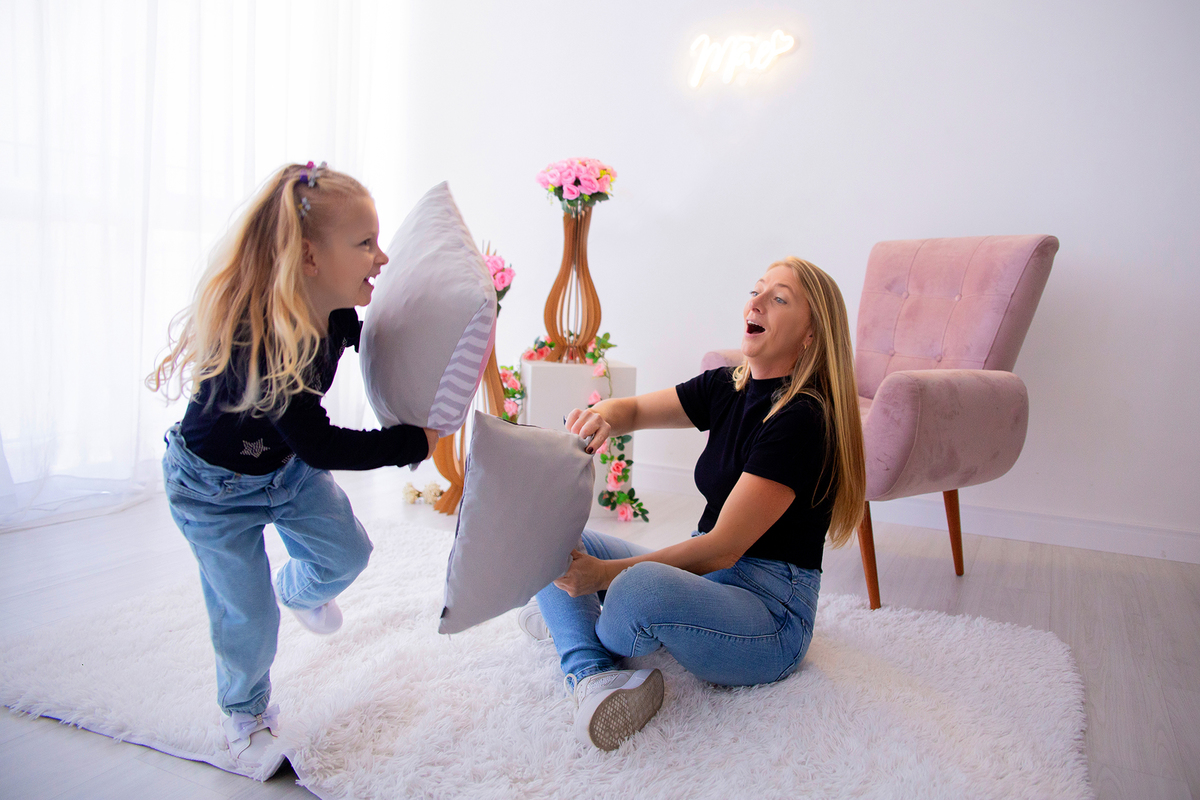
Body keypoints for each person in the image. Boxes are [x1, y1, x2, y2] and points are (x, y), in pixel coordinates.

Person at [147, 162, 438, 772]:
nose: (380, 258)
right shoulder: (265, 339)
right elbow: (323, 445)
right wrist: (411, 442)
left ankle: (295, 590)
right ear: (309, 258)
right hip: (212, 489)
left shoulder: (334, 311)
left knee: (348, 554)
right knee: (246, 615)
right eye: (365, 244)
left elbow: (383, 342)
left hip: (284, 472)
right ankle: (245, 715)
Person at [519, 257, 867, 751]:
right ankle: (591, 675)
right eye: (757, 290)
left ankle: (569, 623)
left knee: (634, 590)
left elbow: (723, 548)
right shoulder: (729, 385)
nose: (756, 302)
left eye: (779, 298)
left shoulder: (803, 418)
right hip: (709, 577)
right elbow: (635, 409)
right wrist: (602, 416)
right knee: (554, 534)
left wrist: (601, 578)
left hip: (770, 613)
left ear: (811, 335)